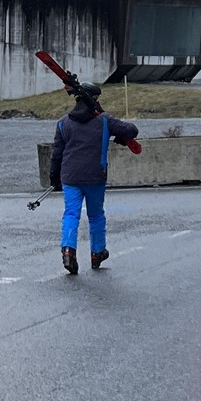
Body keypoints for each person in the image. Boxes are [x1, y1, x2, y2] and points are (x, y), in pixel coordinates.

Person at [47, 85, 140, 275]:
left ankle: (68, 250)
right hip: (95, 176)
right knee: (96, 215)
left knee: (71, 214)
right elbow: (132, 130)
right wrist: (119, 134)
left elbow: (57, 154)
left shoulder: (63, 123)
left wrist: (54, 178)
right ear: (95, 99)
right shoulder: (105, 121)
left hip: (70, 177)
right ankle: (97, 252)